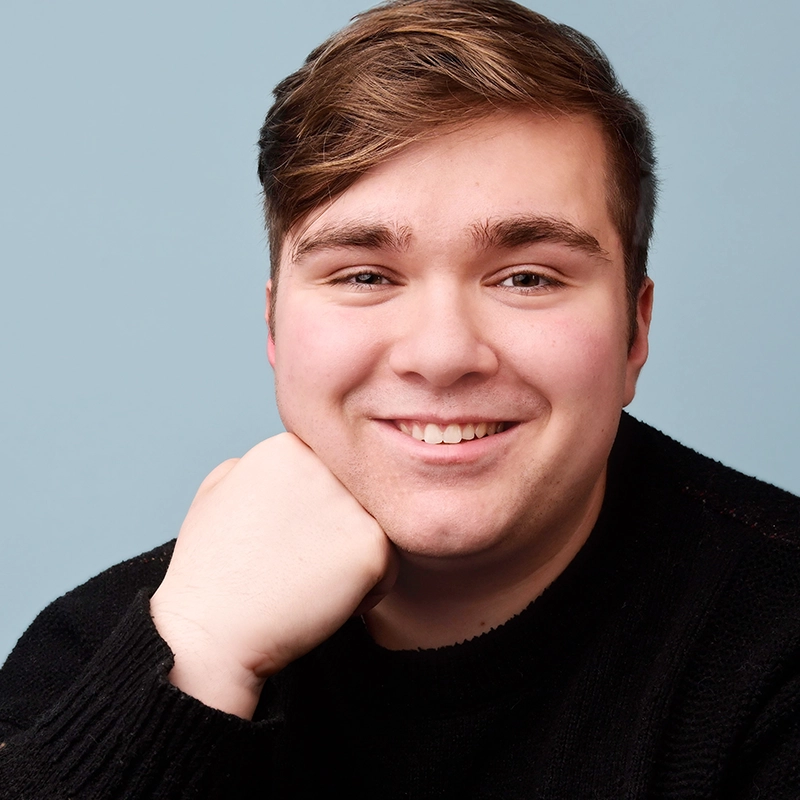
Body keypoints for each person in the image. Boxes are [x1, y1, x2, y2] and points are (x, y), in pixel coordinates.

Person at [1, 0, 799, 796]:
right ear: (275, 327)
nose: (442, 354)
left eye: (527, 277)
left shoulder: (777, 643)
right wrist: (199, 661)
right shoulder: (93, 649)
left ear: (634, 333)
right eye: (366, 276)